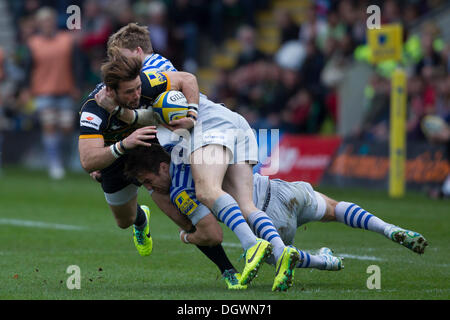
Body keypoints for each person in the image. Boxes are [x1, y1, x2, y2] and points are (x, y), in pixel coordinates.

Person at [101, 23, 300, 292]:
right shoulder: (144, 75)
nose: (119, 65)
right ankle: (289, 254)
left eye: (121, 57)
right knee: (236, 203)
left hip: (204, 134)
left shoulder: (149, 71)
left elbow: (186, 83)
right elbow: (150, 116)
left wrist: (190, 114)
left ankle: (248, 249)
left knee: (196, 194)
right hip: (210, 131)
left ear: (138, 51)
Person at [123, 144, 429, 271]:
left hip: (264, 221)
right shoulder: (195, 148)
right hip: (280, 189)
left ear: (163, 167)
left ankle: (326, 263)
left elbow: (211, 233)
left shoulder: (178, 191)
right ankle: (388, 228)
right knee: (336, 210)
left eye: (148, 181)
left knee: (276, 257)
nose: (150, 188)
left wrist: (186, 237)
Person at [24, 7, 82, 179]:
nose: (47, 24)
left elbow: (77, 64)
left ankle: (64, 159)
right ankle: (54, 164)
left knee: (66, 127)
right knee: (49, 126)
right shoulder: (33, 43)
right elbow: (28, 68)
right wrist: (26, 89)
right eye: (44, 22)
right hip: (43, 91)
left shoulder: (67, 40)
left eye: (49, 21)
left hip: (65, 89)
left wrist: (77, 85)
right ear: (40, 24)